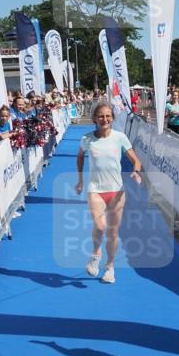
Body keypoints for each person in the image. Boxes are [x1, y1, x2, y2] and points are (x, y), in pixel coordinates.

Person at [75, 100, 143, 285]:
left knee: (113, 232)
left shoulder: (120, 137)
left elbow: (135, 160)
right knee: (100, 226)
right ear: (95, 119)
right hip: (95, 190)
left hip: (117, 191)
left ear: (112, 118)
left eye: (108, 116)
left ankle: (110, 267)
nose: (104, 119)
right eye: (101, 116)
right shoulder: (87, 139)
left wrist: (136, 172)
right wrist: (80, 180)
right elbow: (80, 157)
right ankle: (96, 254)